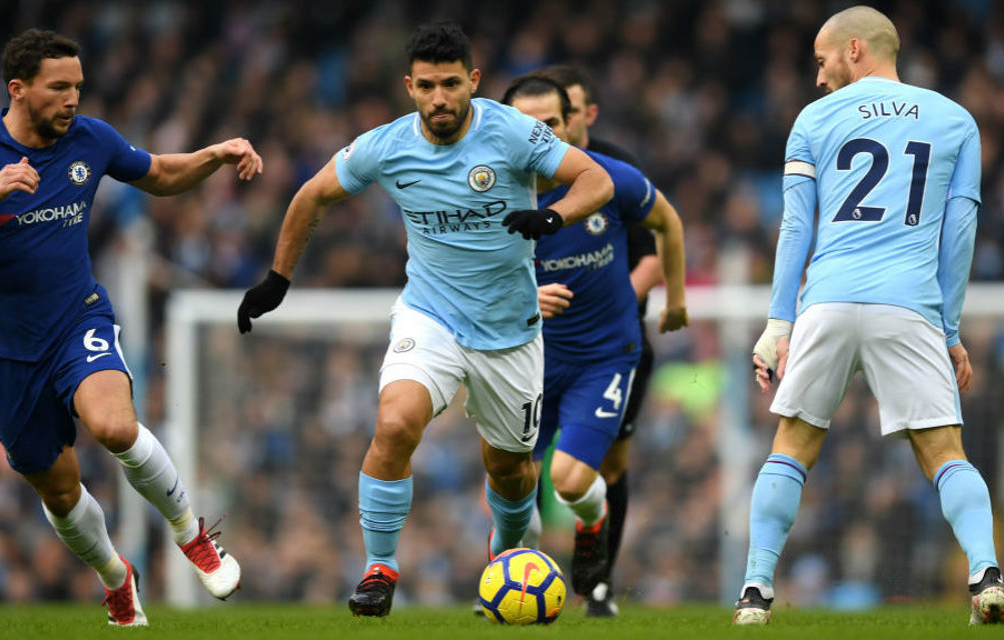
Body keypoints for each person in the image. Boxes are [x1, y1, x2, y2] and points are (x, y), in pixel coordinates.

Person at [236, 20, 613, 618]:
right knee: (394, 423)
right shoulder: (387, 145)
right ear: (408, 86)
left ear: (474, 82)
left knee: (511, 468)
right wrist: (277, 280)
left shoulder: (513, 132)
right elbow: (311, 196)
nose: (440, 98)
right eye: (428, 86)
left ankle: (510, 552)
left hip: (510, 331)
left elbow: (597, 178)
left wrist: (552, 217)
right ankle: (380, 569)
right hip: (429, 316)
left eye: (452, 84)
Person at [0, 29, 262, 627]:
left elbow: (159, 173)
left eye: (78, 87)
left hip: (78, 319)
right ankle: (117, 579)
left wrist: (213, 156)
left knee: (115, 426)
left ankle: (192, 533)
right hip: (7, 350)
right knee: (61, 492)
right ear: (18, 90)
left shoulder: (91, 138)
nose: (73, 99)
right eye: (59, 87)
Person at [736, 6, 1004, 626]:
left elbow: (796, 226)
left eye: (822, 59)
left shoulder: (813, 119)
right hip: (908, 304)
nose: (817, 76)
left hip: (828, 301)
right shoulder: (954, 119)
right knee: (944, 451)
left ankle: (755, 592)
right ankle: (986, 575)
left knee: (793, 444)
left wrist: (778, 324)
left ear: (854, 49)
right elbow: (959, 231)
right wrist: (948, 331)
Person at [501, 73, 687, 603]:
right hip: (526, 356)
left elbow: (668, 222)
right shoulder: (486, 191)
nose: (541, 136)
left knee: (569, 478)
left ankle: (592, 525)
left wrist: (675, 299)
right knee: (511, 480)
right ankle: (509, 576)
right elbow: (460, 281)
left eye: (552, 124)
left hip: (604, 356)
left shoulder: (607, 178)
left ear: (572, 123)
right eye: (527, 126)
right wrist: (522, 300)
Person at [535, 63, 663, 617]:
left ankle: (600, 585)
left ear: (581, 115)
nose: (569, 120)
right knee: (522, 464)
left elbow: (654, 256)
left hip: (611, 343)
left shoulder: (616, 171)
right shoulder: (514, 177)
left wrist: (611, 309)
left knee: (607, 466)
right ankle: (520, 572)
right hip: (542, 344)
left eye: (576, 109)